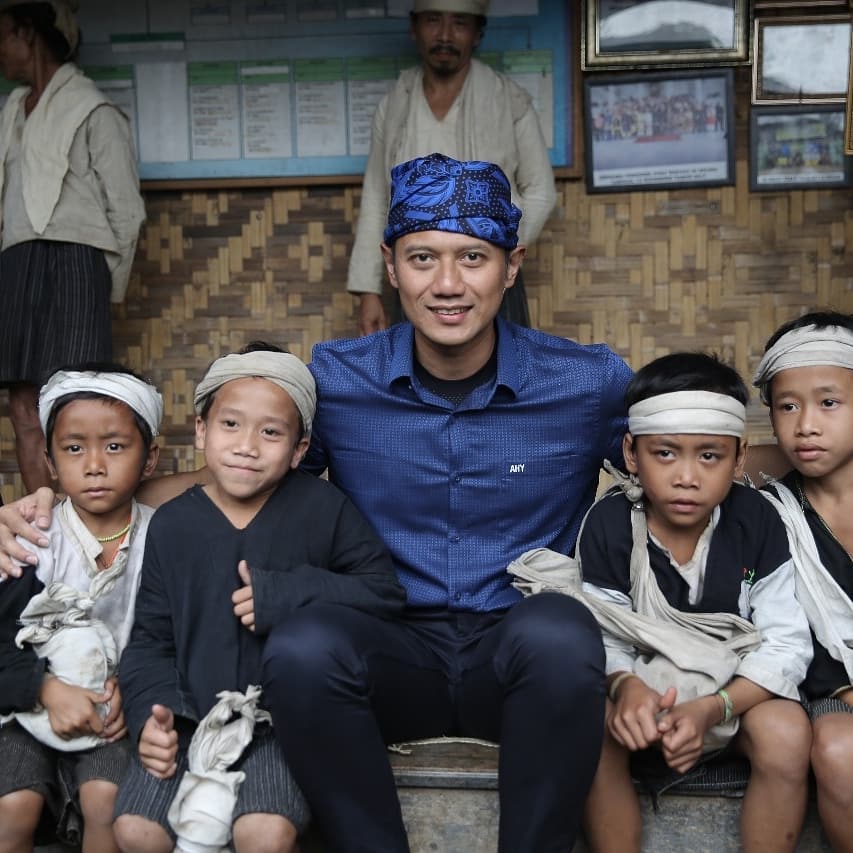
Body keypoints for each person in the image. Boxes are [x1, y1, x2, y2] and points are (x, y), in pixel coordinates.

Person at [0, 154, 631, 852]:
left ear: (510, 266)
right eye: (422, 258)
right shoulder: (336, 380)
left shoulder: (585, 381)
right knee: (302, 646)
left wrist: (775, 470)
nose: (447, 284)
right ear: (390, 267)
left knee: (559, 629)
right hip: (392, 649)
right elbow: (240, 473)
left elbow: (696, 453)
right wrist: (55, 506)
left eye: (472, 258)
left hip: (519, 655)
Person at [112, 344, 406, 853]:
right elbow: (148, 641)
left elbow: (383, 593)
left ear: (299, 449)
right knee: (135, 831)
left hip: (281, 730)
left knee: (264, 833)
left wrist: (292, 593)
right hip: (187, 721)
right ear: (201, 429)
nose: (247, 445)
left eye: (270, 432)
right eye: (230, 425)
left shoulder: (323, 509)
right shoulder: (173, 526)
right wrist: (149, 718)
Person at [574, 352, 813, 853]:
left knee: (788, 734)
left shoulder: (758, 521)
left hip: (733, 698)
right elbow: (603, 634)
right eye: (665, 454)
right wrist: (626, 689)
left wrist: (714, 708)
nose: (687, 476)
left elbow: (786, 643)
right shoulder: (610, 524)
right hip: (642, 697)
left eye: (709, 456)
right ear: (632, 453)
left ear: (739, 457)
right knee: (587, 727)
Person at [0, 364, 162, 853]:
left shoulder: (166, 538)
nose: (94, 464)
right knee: (12, 805)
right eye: (74, 448)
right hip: (24, 706)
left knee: (106, 800)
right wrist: (43, 689)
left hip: (114, 713)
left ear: (149, 459)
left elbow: (173, 632)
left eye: (114, 446)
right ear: (49, 463)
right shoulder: (31, 542)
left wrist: (133, 692)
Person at [0, 1, 146, 492]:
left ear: (29, 34)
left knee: (72, 401)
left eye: (3, 36)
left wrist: (105, 286)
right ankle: (43, 532)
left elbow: (127, 211)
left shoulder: (93, 109)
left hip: (77, 260)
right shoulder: (11, 112)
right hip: (17, 260)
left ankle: (77, 531)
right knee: (22, 403)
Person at [347, 0, 556, 335]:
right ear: (414, 29)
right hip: (419, 276)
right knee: (414, 380)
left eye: (459, 23)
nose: (445, 35)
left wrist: (494, 254)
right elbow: (377, 198)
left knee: (505, 377)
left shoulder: (509, 100)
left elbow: (541, 192)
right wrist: (369, 291)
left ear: (477, 33)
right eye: (433, 21)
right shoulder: (395, 104)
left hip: (489, 279)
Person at [752, 311, 853, 853]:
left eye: (828, 402)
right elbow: (778, 627)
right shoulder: (772, 512)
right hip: (827, 685)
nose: (805, 424)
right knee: (839, 747)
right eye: (787, 406)